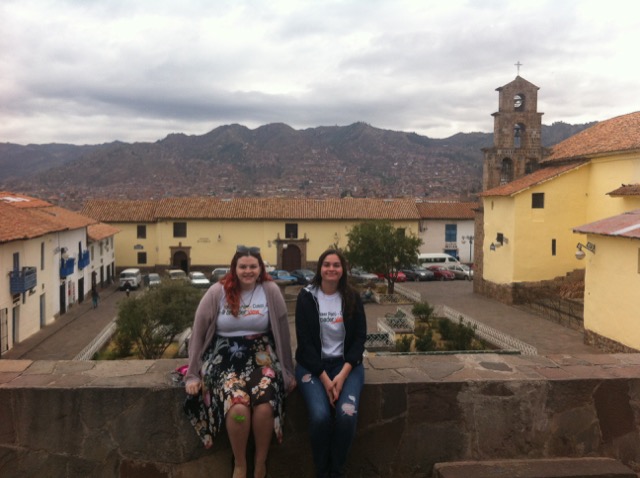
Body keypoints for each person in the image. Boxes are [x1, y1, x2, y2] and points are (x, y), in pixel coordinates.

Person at [184, 245, 296, 478]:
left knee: (264, 405)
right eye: (243, 266)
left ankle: (260, 462)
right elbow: (198, 331)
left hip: (261, 357)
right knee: (238, 408)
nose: (248, 271)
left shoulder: (270, 291)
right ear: (234, 268)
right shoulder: (217, 292)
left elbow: (283, 334)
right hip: (223, 358)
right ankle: (240, 463)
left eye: (252, 266)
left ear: (260, 268)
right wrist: (192, 374)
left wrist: (287, 371)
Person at [295, 249, 367, 478]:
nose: (331, 269)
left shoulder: (352, 297)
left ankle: (335, 471)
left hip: (347, 366)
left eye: (336, 265)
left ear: (343, 269)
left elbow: (359, 339)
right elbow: (304, 343)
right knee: (320, 417)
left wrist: (343, 374)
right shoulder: (307, 297)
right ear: (320, 268)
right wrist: (325, 379)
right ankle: (321, 470)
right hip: (313, 367)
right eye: (327, 264)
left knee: (346, 416)